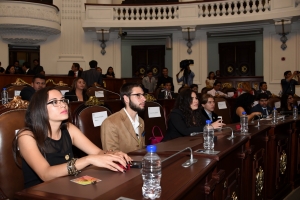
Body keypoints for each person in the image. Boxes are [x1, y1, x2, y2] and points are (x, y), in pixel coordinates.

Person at [13, 87, 131, 188]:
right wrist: (88, 159)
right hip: (39, 193)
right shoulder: (26, 136)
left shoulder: (69, 128)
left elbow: (98, 152)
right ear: (39, 108)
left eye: (63, 100)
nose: (63, 105)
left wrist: (114, 154)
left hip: (67, 187)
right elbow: (46, 174)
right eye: (54, 102)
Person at [101, 83, 146, 153]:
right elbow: (111, 155)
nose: (144, 99)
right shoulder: (110, 123)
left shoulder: (141, 121)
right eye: (138, 95)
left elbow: (142, 148)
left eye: (143, 95)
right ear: (126, 99)